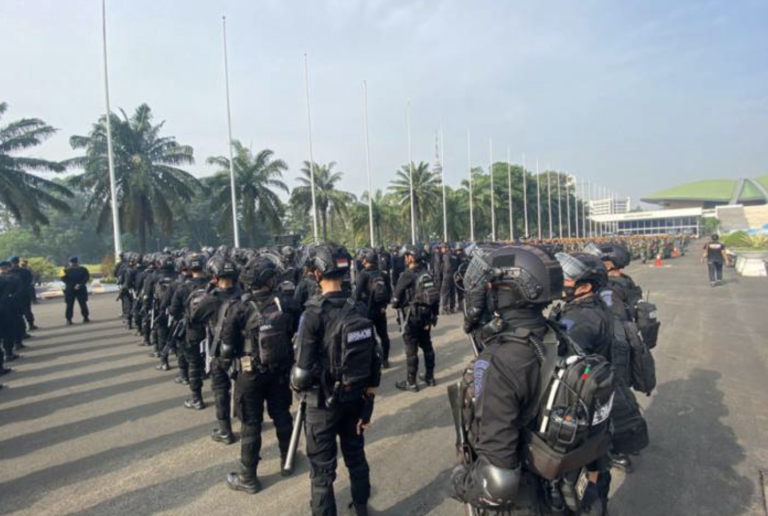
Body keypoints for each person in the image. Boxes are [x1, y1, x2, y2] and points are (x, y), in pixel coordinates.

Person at [450, 245, 613, 516]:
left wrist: (459, 482)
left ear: (511, 291)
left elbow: (498, 482)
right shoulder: (559, 336)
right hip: (560, 483)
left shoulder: (498, 364)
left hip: (526, 495)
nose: (488, 291)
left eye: (493, 285)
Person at [291, 243, 380, 516]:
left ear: (317, 274)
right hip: (355, 397)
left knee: (322, 473)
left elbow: (302, 371)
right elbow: (374, 357)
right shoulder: (359, 307)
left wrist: (295, 384)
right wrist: (368, 402)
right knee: (356, 458)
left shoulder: (312, 314)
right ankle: (362, 509)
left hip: (322, 404)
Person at [221, 256, 297, 493]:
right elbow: (294, 332)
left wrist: (228, 367)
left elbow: (226, 347)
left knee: (251, 424)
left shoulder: (238, 308)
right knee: (282, 414)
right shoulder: (284, 303)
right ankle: (289, 458)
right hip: (279, 371)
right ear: (270, 280)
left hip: (249, 374)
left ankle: (248, 478)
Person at [192, 257, 242, 445]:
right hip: (243, 352)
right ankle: (248, 422)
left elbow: (194, 318)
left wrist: (207, 291)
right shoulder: (244, 295)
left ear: (214, 276)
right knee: (242, 389)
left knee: (221, 390)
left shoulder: (211, 300)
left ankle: (225, 431)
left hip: (219, 351)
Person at [392, 245, 440, 392]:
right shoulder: (427, 273)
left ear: (411, 258)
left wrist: (397, 303)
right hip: (426, 317)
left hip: (411, 317)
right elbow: (435, 297)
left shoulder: (407, 274)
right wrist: (433, 316)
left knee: (411, 350)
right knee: (427, 347)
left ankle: (411, 382)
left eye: (406, 256)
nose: (405, 258)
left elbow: (395, 299)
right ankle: (430, 377)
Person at [170, 253, 210, 410]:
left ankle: (197, 399)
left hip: (193, 331)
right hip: (214, 331)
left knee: (193, 364)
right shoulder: (212, 285)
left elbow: (173, 310)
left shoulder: (182, 288)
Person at [352, 249, 392, 369]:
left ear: (366, 261)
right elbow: (389, 292)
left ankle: (373, 361)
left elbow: (356, 294)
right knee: (384, 336)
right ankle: (385, 360)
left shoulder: (363, 275)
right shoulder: (383, 274)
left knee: (369, 337)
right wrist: (384, 306)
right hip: (381, 310)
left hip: (367, 310)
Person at [0, 260, 23, 370]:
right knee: (8, 332)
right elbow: (19, 291)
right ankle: (9, 353)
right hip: (7, 309)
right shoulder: (12, 278)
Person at [61, 256, 90, 325]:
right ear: (77, 262)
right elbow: (86, 278)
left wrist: (72, 285)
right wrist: (79, 284)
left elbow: (63, 279)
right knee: (83, 303)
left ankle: (69, 319)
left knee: (69, 305)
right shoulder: (83, 269)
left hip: (69, 289)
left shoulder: (64, 270)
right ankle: (85, 317)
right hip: (81, 288)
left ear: (69, 262)